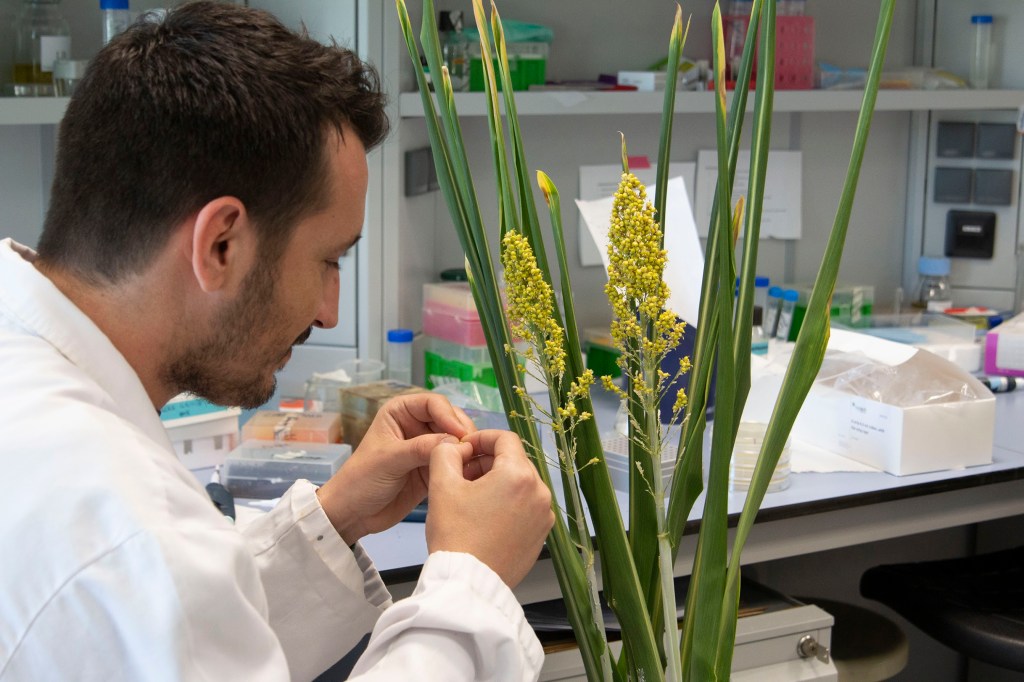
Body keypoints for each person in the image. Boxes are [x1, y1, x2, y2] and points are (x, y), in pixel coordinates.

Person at [0, 2, 554, 680]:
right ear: (221, 245)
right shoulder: (127, 532)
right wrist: (471, 582)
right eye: (329, 260)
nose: (329, 312)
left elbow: (187, 638)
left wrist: (334, 519)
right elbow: (158, 585)